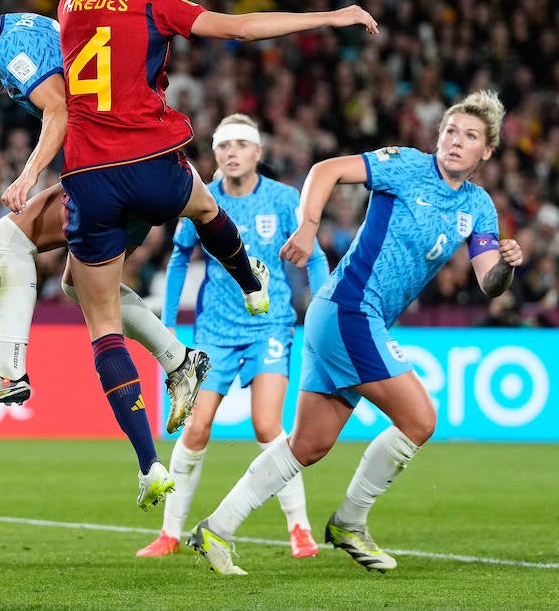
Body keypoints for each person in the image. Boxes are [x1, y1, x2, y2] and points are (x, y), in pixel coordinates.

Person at [55, 0, 379, 510]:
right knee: (204, 205)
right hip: (150, 162)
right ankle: (251, 282)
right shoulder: (153, 4)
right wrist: (330, 16)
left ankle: (148, 466)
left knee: (102, 324)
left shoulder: (67, 6)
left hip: (86, 177)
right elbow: (240, 28)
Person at [189, 90, 525, 575]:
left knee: (308, 445)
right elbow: (324, 170)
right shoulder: (406, 166)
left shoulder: (478, 207)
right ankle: (350, 521)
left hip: (346, 319)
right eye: (450, 130)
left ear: (486, 151)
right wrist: (307, 228)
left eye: (470, 136)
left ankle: (215, 529)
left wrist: (508, 267)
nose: (455, 141)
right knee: (420, 419)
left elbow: (489, 281)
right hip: (350, 309)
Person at [0, 6, 211, 441]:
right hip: (131, 163)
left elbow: (58, 109)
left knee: (9, 237)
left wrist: (27, 175)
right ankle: (179, 360)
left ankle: (9, 370)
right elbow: (42, 66)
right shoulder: (13, 27)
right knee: (79, 284)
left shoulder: (14, 55)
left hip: (109, 170)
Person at [136, 114, 328, 560]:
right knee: (196, 427)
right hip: (214, 331)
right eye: (224, 146)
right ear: (216, 153)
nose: (232, 152)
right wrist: (166, 320)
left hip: (269, 325)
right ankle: (169, 534)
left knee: (267, 425)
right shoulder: (201, 199)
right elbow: (180, 256)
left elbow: (314, 257)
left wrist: (321, 310)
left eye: (242, 145)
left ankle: (299, 528)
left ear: (258, 153)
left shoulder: (283, 200)